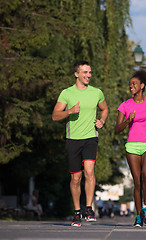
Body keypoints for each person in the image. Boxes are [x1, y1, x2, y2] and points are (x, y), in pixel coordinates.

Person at [52, 61, 109, 227]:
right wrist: (69, 111)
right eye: (85, 72)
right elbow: (55, 116)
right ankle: (77, 212)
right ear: (76, 74)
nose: (88, 75)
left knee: (89, 172)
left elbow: (104, 109)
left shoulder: (97, 92)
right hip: (73, 139)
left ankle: (88, 208)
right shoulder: (67, 93)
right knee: (76, 178)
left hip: (91, 137)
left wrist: (102, 120)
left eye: (90, 72)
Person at [115, 69, 146, 227]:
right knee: (137, 181)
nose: (131, 86)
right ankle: (138, 216)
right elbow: (117, 129)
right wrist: (128, 121)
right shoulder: (125, 105)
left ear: (142, 86)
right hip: (132, 146)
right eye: (130, 84)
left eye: (134, 84)